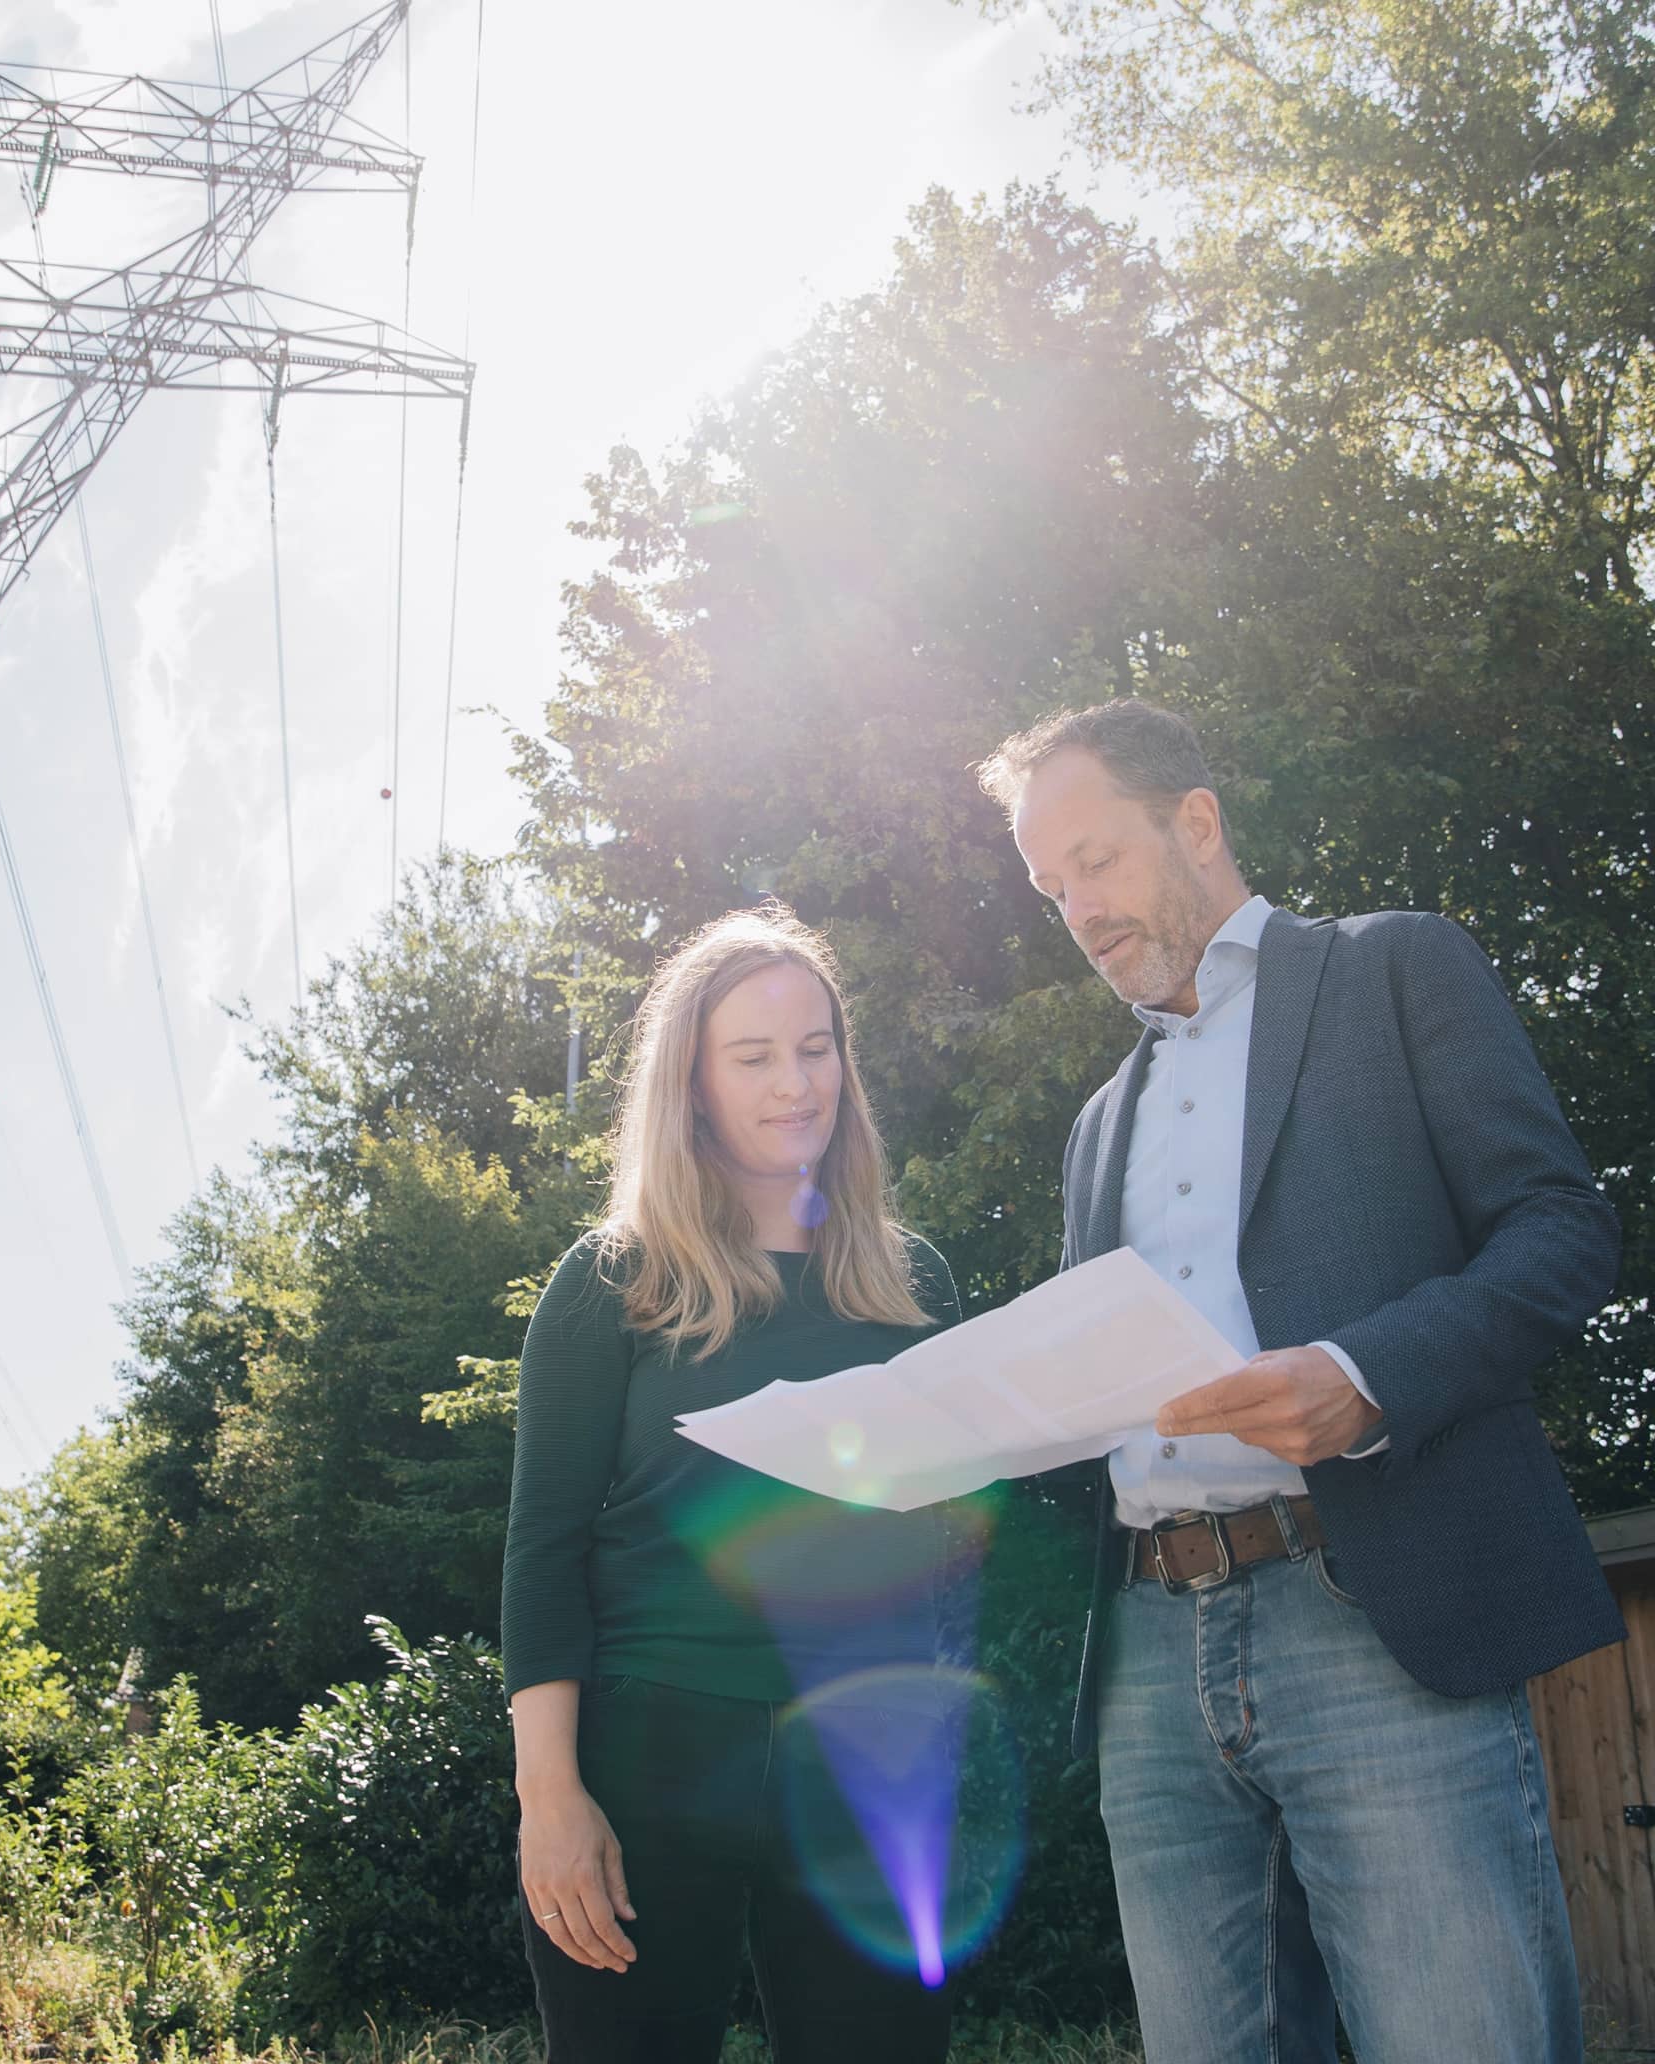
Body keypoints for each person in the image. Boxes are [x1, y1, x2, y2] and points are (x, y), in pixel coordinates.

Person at [977, 699, 1625, 2064]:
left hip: (1371, 1605)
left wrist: (1367, 1376)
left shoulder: (1395, 970)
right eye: (1050, 891)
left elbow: (1563, 1230)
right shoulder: (1099, 1124)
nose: (1078, 912)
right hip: (1152, 1659)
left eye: (1095, 862)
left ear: (1195, 822)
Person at [501, 903, 965, 2064]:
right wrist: (549, 1801)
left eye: (816, 1049)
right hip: (647, 1758)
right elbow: (542, 1549)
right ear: (693, 1084)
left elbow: (953, 1552)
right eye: (753, 1057)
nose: (795, 1084)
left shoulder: (916, 1286)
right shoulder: (613, 1279)